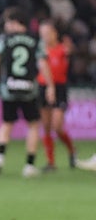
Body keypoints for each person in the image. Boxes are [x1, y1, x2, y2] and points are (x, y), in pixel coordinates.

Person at [0, 8, 53, 178]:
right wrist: (50, 86)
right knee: (32, 125)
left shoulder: (4, 39)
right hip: (29, 89)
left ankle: (0, 157)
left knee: (7, 123)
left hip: (9, 88)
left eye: (8, 22)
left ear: (15, 22)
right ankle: (29, 165)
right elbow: (43, 64)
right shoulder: (35, 40)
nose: (6, 26)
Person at [37, 19, 76, 171]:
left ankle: (72, 150)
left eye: (47, 33)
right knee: (46, 127)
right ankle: (51, 162)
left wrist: (70, 50)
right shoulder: (41, 51)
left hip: (59, 88)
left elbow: (69, 55)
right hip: (42, 87)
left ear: (55, 34)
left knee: (57, 126)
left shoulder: (62, 49)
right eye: (42, 34)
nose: (45, 36)